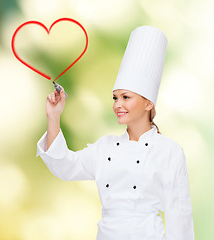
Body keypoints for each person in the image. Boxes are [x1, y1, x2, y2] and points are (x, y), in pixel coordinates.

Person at [36, 26, 195, 240]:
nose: (117, 104)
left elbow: (180, 215)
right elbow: (64, 165)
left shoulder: (169, 151)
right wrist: (54, 116)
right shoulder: (105, 147)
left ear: (148, 103)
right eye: (115, 98)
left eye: (126, 97)